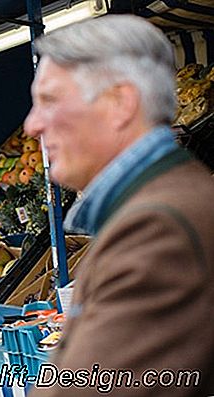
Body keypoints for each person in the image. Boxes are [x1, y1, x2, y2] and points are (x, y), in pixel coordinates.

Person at [24, 15, 214, 397]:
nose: (32, 125)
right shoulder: (161, 202)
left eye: (49, 101)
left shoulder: (157, 225)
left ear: (119, 103)